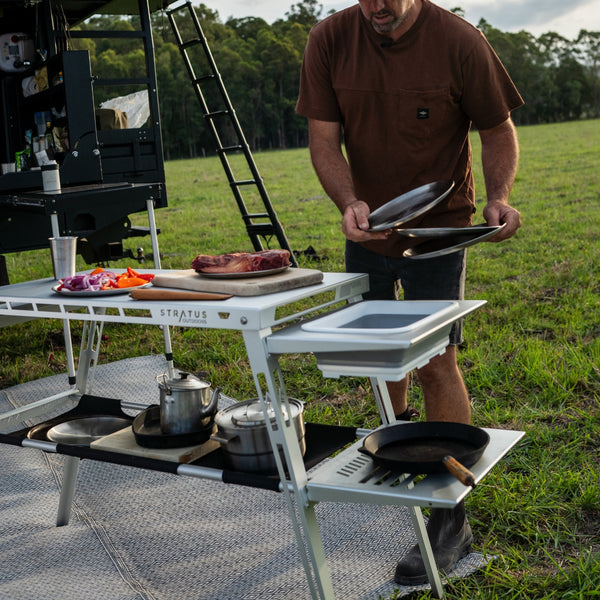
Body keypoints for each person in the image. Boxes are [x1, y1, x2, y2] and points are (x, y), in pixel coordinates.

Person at [295, 0, 523, 586]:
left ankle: (451, 518)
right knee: (376, 356)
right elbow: (324, 141)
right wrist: (350, 202)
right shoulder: (329, 39)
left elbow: (498, 129)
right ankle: (397, 458)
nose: (375, 6)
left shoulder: (460, 41)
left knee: (434, 360)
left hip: (441, 227)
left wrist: (498, 197)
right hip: (369, 224)